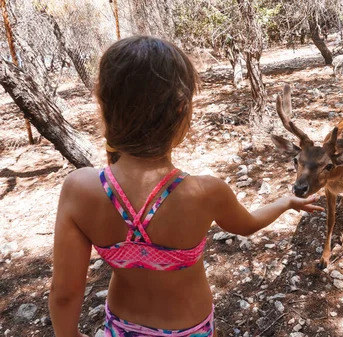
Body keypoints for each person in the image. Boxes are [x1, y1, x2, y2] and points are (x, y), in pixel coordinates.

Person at [48, 36, 323, 337]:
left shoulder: (79, 188)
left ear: (103, 104)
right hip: (192, 329)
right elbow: (248, 225)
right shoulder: (206, 192)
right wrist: (285, 201)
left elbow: (64, 294)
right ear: (181, 110)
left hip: (121, 327)